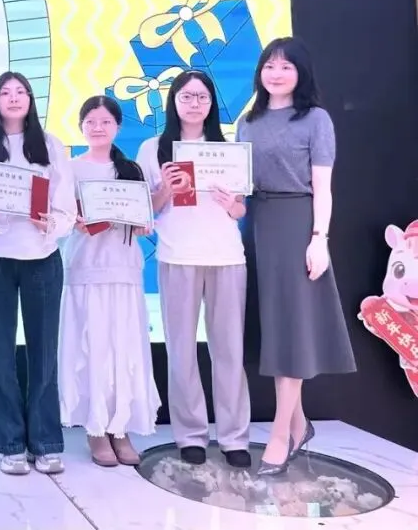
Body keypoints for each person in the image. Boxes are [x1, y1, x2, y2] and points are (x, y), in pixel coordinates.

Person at [237, 37, 356, 476]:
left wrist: (319, 238)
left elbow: (323, 188)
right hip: (257, 225)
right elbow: (241, 184)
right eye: (269, 65)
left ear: (301, 73)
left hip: (296, 224)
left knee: (291, 330)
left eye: (286, 66)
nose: (276, 73)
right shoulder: (247, 122)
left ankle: (279, 435)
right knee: (276, 329)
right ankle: (299, 423)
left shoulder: (315, 119)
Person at [0, 72, 76, 475]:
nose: (13, 98)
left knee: (44, 354)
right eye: (4, 92)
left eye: (20, 91)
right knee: (0, 356)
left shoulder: (51, 145)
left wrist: (48, 222)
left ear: (30, 100)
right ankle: (10, 444)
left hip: (42, 258)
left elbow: (66, 208)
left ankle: (45, 442)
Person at [135, 71, 251, 469]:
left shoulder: (229, 149)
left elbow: (240, 210)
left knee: (229, 351)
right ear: (174, 101)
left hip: (226, 257)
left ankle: (234, 436)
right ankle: (190, 435)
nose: (194, 103)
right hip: (177, 256)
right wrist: (165, 188)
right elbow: (146, 211)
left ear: (212, 103)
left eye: (202, 97)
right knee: (181, 350)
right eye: (186, 96)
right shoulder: (154, 148)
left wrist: (230, 204)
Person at [58, 96, 161, 467]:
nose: (97, 127)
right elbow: (59, 217)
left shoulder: (131, 169)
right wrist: (73, 221)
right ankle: (96, 428)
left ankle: (121, 428)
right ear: (81, 126)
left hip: (124, 269)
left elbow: (146, 221)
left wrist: (143, 222)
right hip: (85, 268)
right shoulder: (70, 168)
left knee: (123, 349)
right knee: (91, 349)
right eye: (91, 121)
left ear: (117, 126)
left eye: (105, 121)